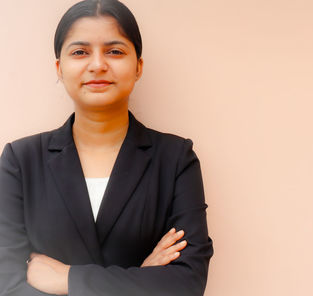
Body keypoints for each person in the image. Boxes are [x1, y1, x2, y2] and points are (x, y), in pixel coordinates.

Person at [0, 0, 213, 295]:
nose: (98, 65)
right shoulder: (20, 162)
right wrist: (140, 278)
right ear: (60, 68)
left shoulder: (175, 159)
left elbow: (187, 283)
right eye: (80, 52)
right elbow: (7, 284)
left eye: (115, 51)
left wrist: (68, 279)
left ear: (138, 66)